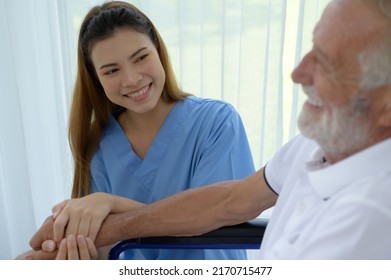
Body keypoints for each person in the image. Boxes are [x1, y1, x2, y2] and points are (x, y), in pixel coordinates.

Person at [29, 0, 391, 259]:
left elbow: (214, 223)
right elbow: (228, 201)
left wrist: (106, 207)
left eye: (326, 62)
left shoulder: (370, 215)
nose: (296, 74)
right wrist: (65, 244)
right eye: (110, 70)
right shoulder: (308, 146)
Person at [17, 1, 256, 260]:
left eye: (141, 57)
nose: (131, 79)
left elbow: (218, 215)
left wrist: (112, 203)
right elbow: (103, 244)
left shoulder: (217, 123)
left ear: (159, 51)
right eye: (111, 71)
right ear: (96, 79)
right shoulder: (100, 145)